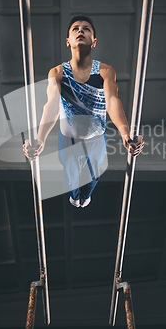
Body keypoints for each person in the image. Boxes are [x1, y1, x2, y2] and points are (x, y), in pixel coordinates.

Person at [23, 16, 144, 207]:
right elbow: (52, 106)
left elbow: (112, 101)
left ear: (93, 42)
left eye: (86, 29)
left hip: (96, 138)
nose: (81, 31)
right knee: (71, 178)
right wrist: (40, 140)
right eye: (75, 29)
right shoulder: (57, 72)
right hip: (68, 139)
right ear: (68, 41)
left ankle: (85, 196)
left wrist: (125, 134)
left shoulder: (105, 71)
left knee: (93, 176)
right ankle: (75, 196)